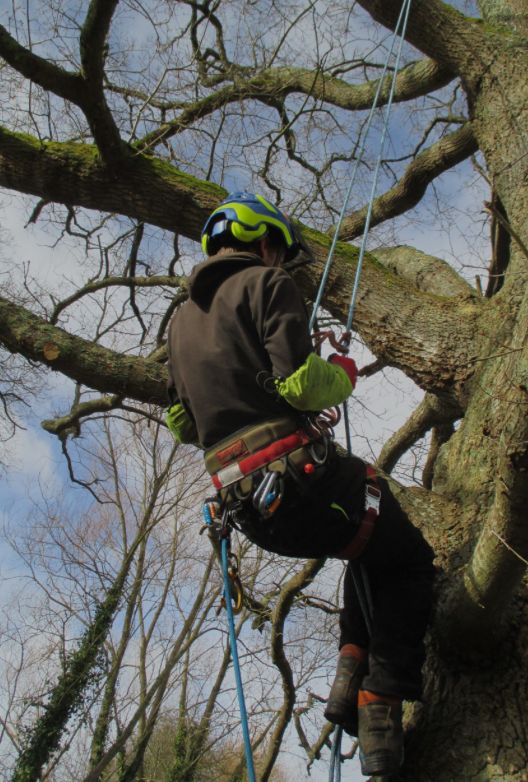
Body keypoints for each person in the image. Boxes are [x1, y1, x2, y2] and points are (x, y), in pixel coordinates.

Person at [165, 191, 435, 777]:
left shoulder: (178, 322)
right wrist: (342, 373)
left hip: (247, 510)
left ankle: (350, 667)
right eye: (280, 252)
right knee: (412, 560)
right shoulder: (268, 283)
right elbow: (302, 386)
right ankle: (382, 695)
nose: (281, 262)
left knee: (369, 547)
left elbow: (182, 422)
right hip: (302, 480)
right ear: (265, 242)